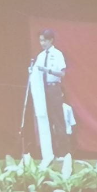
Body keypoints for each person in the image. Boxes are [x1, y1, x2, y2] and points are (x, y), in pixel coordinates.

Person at [28, 29, 69, 161]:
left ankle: (63, 153)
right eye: (40, 40)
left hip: (53, 89)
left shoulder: (57, 54)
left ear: (51, 40)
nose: (42, 43)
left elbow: (62, 73)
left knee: (58, 121)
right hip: (42, 90)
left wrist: (48, 70)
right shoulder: (40, 56)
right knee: (47, 120)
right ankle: (51, 153)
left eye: (44, 40)